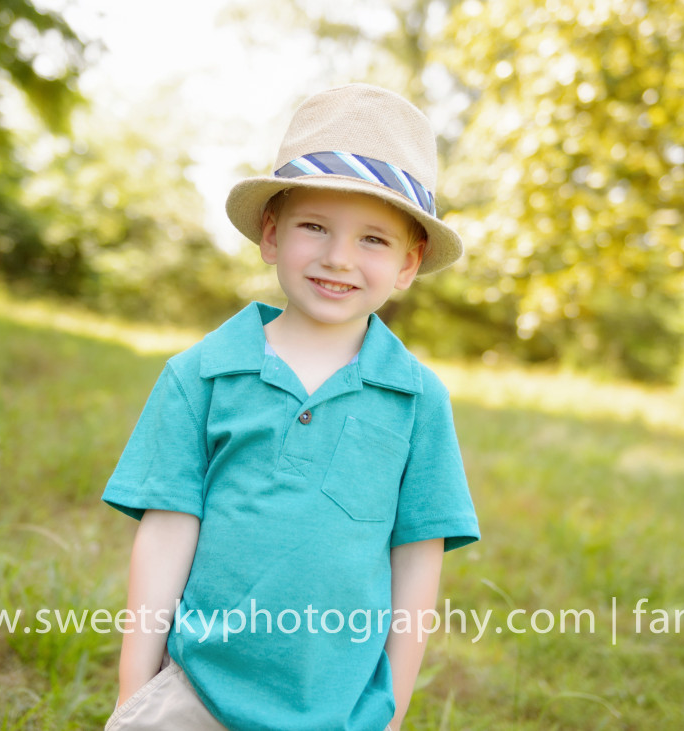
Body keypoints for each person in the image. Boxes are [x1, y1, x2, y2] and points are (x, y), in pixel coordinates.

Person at [102, 83, 480, 731]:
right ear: (271, 236)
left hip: (340, 705)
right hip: (197, 688)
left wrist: (393, 706)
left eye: (374, 240)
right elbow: (164, 532)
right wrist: (135, 689)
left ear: (410, 263)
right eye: (314, 227)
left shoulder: (417, 399)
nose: (338, 257)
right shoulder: (200, 374)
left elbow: (418, 559)